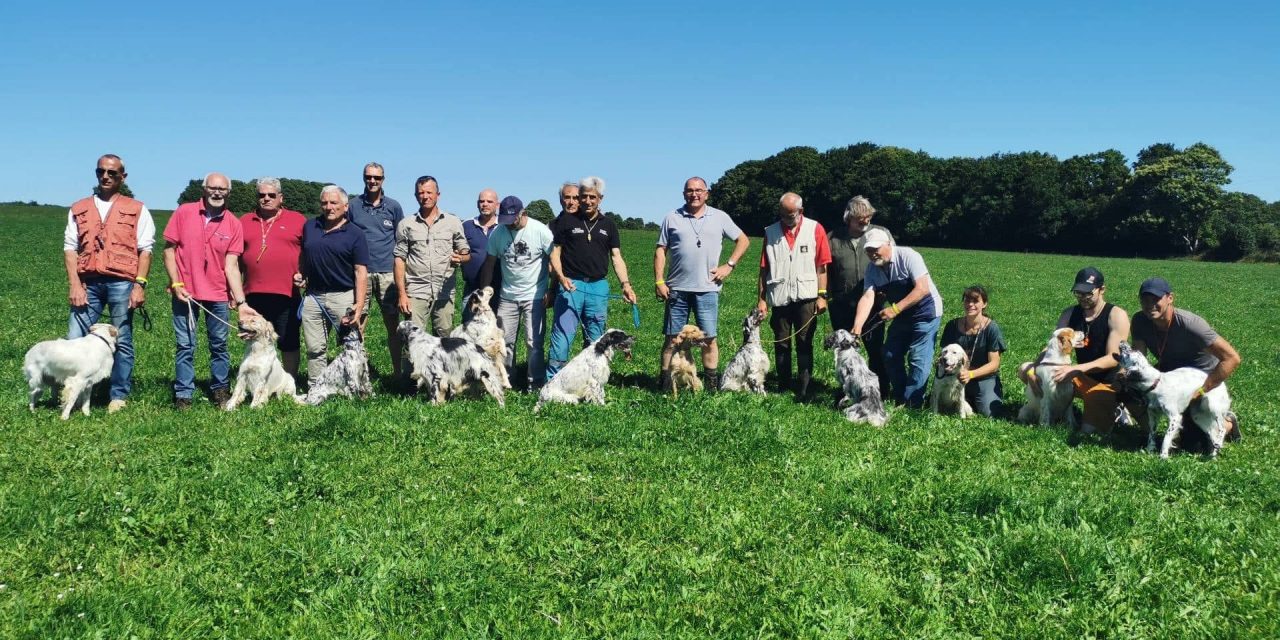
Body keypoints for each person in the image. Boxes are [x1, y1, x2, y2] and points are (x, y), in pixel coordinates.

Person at [63, 153, 156, 414]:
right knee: (76, 339)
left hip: (121, 283)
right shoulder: (79, 207)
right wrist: (74, 284)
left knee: (122, 340)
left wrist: (139, 285)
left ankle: (118, 395)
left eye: (112, 173)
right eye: (101, 171)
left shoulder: (137, 208)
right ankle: (74, 394)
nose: (106, 176)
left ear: (122, 177)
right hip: (87, 282)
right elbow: (70, 249)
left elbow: (145, 250)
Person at [163, 172, 256, 409]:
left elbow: (232, 266)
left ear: (228, 192)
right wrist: (176, 283)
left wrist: (241, 302)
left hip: (217, 295)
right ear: (204, 189)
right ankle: (183, 394)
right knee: (186, 345)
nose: (217, 192)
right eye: (212, 188)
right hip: (186, 293)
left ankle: (220, 390)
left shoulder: (233, 224)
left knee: (219, 345)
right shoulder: (184, 212)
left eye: (222, 189)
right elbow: (169, 250)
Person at [654, 176, 750, 391]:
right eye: (690, 190)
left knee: (709, 338)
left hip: (707, 289)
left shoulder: (720, 217)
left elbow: (743, 240)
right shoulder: (672, 217)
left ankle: (711, 385)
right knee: (672, 339)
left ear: (707, 193)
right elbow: (661, 249)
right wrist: (659, 280)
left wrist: (729, 265)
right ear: (683, 193)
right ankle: (665, 383)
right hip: (676, 288)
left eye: (699, 190)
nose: (694, 194)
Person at [1130, 277, 1242, 446]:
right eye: (1144, 300)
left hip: (1201, 380)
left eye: (1155, 299)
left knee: (1195, 444)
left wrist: (1201, 391)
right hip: (1171, 376)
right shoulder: (1139, 321)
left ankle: (1226, 424)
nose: (1149, 304)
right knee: (1127, 389)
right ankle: (1151, 434)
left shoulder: (1191, 325)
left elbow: (1232, 358)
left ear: (1170, 298)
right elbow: (1140, 358)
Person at [1018, 267, 1130, 434]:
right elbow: (1053, 346)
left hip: (1105, 381)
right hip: (1080, 376)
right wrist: (1034, 369)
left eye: (1088, 294)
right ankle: (1052, 411)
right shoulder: (1070, 313)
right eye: (1078, 293)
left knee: (1087, 431)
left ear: (1102, 290)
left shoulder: (1116, 315)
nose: (1083, 298)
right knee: (1024, 369)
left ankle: (1117, 407)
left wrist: (1077, 369)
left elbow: (1113, 358)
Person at [547, 176, 638, 379]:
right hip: (571, 285)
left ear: (600, 198)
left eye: (592, 197)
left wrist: (626, 285)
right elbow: (555, 253)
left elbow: (616, 257)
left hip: (598, 287)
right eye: (584, 197)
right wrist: (561, 278)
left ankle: (590, 379)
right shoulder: (566, 222)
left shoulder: (609, 225)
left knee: (596, 337)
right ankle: (553, 380)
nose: (587, 201)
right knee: (562, 336)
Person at [851, 229, 943, 408]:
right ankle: (901, 395)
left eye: (876, 248)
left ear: (889, 244)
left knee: (918, 359)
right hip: (902, 316)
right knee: (890, 354)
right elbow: (868, 296)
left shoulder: (908, 256)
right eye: (868, 250)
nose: (872, 254)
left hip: (926, 313)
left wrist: (895, 309)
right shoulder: (872, 269)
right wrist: (857, 327)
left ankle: (913, 403)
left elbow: (922, 288)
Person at [756, 192, 830, 399]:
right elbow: (764, 269)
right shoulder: (770, 232)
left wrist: (822, 295)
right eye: (783, 214)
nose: (787, 218)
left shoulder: (815, 229)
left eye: (791, 215)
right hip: (780, 297)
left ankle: (805, 388)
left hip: (807, 297)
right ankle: (783, 386)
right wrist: (762, 299)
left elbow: (822, 266)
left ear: (801, 211)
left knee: (804, 341)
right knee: (781, 342)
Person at [477, 196, 555, 389]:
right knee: (505, 342)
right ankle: (506, 380)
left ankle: (535, 382)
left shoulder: (540, 231)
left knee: (533, 342)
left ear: (523, 214)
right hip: (508, 297)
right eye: (505, 220)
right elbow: (490, 262)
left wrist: (552, 289)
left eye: (512, 220)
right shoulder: (498, 233)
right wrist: (484, 292)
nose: (509, 225)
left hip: (534, 296)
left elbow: (554, 259)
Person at [297, 185, 369, 384]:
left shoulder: (355, 233)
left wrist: (359, 304)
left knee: (352, 344)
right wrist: (301, 273)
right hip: (313, 296)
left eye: (333, 203)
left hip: (343, 295)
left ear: (345, 206)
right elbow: (305, 254)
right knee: (315, 348)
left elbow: (360, 271)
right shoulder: (310, 226)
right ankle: (317, 387)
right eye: (324, 203)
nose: (328, 207)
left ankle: (358, 385)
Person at [826, 195, 892, 398]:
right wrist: (826, 294)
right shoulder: (833, 238)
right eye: (860, 219)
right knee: (845, 351)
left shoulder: (881, 233)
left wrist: (886, 290)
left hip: (873, 302)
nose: (865, 222)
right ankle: (848, 389)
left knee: (875, 349)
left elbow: (892, 260)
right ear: (849, 218)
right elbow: (824, 267)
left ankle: (880, 390)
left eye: (868, 218)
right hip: (841, 302)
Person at [239, 177, 306, 377]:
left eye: (271, 195)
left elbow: (310, 252)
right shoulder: (245, 221)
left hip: (287, 293)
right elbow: (234, 259)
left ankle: (289, 382)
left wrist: (305, 274)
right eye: (261, 195)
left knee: (288, 340)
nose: (266, 198)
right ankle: (257, 379)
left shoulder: (297, 220)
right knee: (255, 340)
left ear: (280, 197)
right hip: (253, 293)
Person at [347, 162, 406, 377]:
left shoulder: (394, 207)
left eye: (377, 178)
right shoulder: (353, 206)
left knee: (393, 324)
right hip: (361, 272)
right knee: (358, 323)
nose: (372, 181)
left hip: (388, 273)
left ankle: (398, 373)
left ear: (383, 180)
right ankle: (360, 373)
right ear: (363, 178)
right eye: (368, 177)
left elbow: (401, 240)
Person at [393, 175, 470, 336]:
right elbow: (399, 259)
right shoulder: (406, 224)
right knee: (411, 340)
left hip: (444, 291)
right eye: (421, 193)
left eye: (429, 192)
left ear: (438, 195)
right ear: (415, 196)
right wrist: (402, 294)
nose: (425, 196)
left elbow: (465, 253)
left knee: (443, 340)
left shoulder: (453, 222)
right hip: (415, 291)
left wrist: (460, 258)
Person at [939, 285, 1007, 417]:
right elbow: (943, 354)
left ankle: (977, 397)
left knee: (991, 414)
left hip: (982, 378)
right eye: (966, 300)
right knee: (943, 408)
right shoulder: (952, 326)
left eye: (975, 301)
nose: (970, 304)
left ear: (984, 304)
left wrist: (970, 374)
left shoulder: (992, 329)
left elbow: (994, 364)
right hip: (955, 377)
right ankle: (965, 399)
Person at [461, 188, 502, 321]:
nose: (485, 204)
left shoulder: (504, 226)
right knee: (469, 327)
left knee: (497, 329)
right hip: (472, 289)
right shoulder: (466, 226)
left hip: (499, 289)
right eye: (481, 201)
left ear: (497, 205)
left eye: (489, 201)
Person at [544, 181, 580, 309]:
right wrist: (551, 289)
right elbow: (548, 261)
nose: (571, 202)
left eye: (575, 198)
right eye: (567, 197)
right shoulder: (551, 226)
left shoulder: (590, 225)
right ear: (560, 200)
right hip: (560, 282)